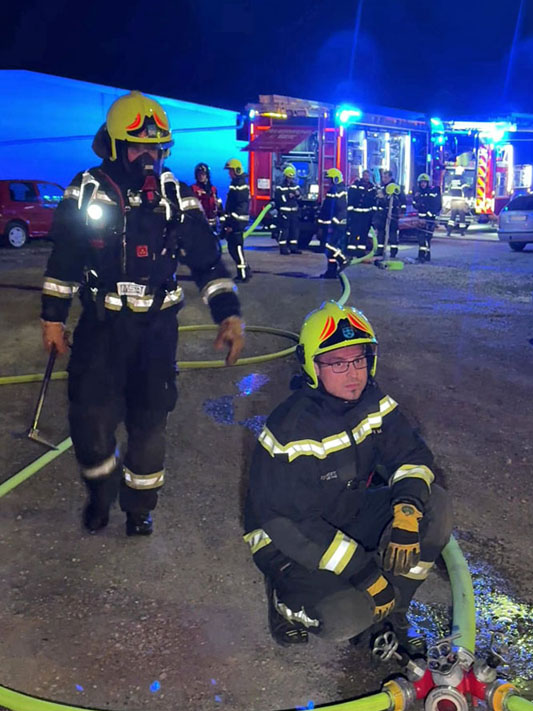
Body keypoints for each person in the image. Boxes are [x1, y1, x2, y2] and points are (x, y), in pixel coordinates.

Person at [40, 90, 245, 537]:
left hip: (156, 332)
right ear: (114, 146)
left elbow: (208, 263)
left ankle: (139, 509)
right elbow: (64, 262)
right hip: (102, 329)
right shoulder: (86, 190)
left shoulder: (177, 195)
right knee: (89, 421)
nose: (147, 158)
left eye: (155, 149)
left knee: (150, 424)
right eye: (137, 148)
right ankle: (100, 489)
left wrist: (228, 314)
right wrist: (52, 318)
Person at [244, 301, 452, 652]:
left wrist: (406, 508)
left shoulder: (373, 400)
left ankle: (393, 611)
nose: (353, 373)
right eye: (337, 363)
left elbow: (411, 455)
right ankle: (284, 601)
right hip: (287, 540)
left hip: (346, 509)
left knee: (435, 504)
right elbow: (291, 525)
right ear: (312, 366)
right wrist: (365, 574)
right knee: (346, 617)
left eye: (358, 359)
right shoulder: (291, 428)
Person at [220, 158, 251, 282]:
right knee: (233, 248)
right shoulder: (236, 183)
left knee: (237, 248)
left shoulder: (240, 185)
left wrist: (232, 221)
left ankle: (243, 275)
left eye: (231, 170)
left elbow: (239, 205)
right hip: (235, 220)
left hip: (237, 221)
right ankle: (246, 270)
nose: (229, 173)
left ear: (236, 170)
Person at [317, 168, 348, 279]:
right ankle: (331, 272)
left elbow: (338, 209)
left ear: (335, 179)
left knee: (330, 246)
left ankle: (343, 259)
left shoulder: (337, 191)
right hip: (334, 223)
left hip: (336, 224)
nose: (328, 182)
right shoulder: (338, 190)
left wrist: (333, 223)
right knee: (329, 250)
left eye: (330, 179)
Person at [374, 170, 406, 259]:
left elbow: (402, 200)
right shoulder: (382, 187)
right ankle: (380, 251)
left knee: (392, 233)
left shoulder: (396, 188)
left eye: (386, 177)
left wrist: (402, 211)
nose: (384, 179)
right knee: (380, 233)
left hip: (392, 214)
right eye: (383, 177)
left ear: (391, 177)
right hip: (382, 215)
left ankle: (393, 252)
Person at [346, 169, 376, 258]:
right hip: (356, 214)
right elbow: (351, 199)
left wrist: (372, 214)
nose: (366, 177)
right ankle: (351, 251)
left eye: (368, 175)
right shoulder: (355, 185)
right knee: (354, 233)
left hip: (366, 216)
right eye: (365, 175)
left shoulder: (372, 187)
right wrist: (350, 212)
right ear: (362, 175)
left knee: (364, 234)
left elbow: (373, 202)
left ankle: (360, 251)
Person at [412, 173, 442, 262]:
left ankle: (426, 255)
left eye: (424, 182)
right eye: (421, 182)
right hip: (421, 219)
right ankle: (422, 255)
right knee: (421, 238)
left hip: (429, 220)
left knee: (427, 238)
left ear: (428, 183)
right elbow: (415, 205)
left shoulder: (432, 192)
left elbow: (437, 205)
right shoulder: (418, 193)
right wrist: (416, 202)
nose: (423, 184)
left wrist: (429, 215)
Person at [274, 165, 302, 255]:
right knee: (284, 230)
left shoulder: (295, 186)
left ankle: (293, 247)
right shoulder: (280, 187)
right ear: (285, 177)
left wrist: (297, 194)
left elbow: (300, 197)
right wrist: (287, 196)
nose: (291, 179)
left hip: (294, 212)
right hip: (284, 212)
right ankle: (283, 248)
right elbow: (278, 199)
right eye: (289, 178)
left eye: (292, 178)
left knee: (294, 230)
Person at [191, 162, 222, 229]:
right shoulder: (193, 189)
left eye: (203, 174)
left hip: (212, 224)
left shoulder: (213, 189)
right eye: (199, 174)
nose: (201, 176)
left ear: (207, 175)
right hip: (198, 223)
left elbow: (218, 205)